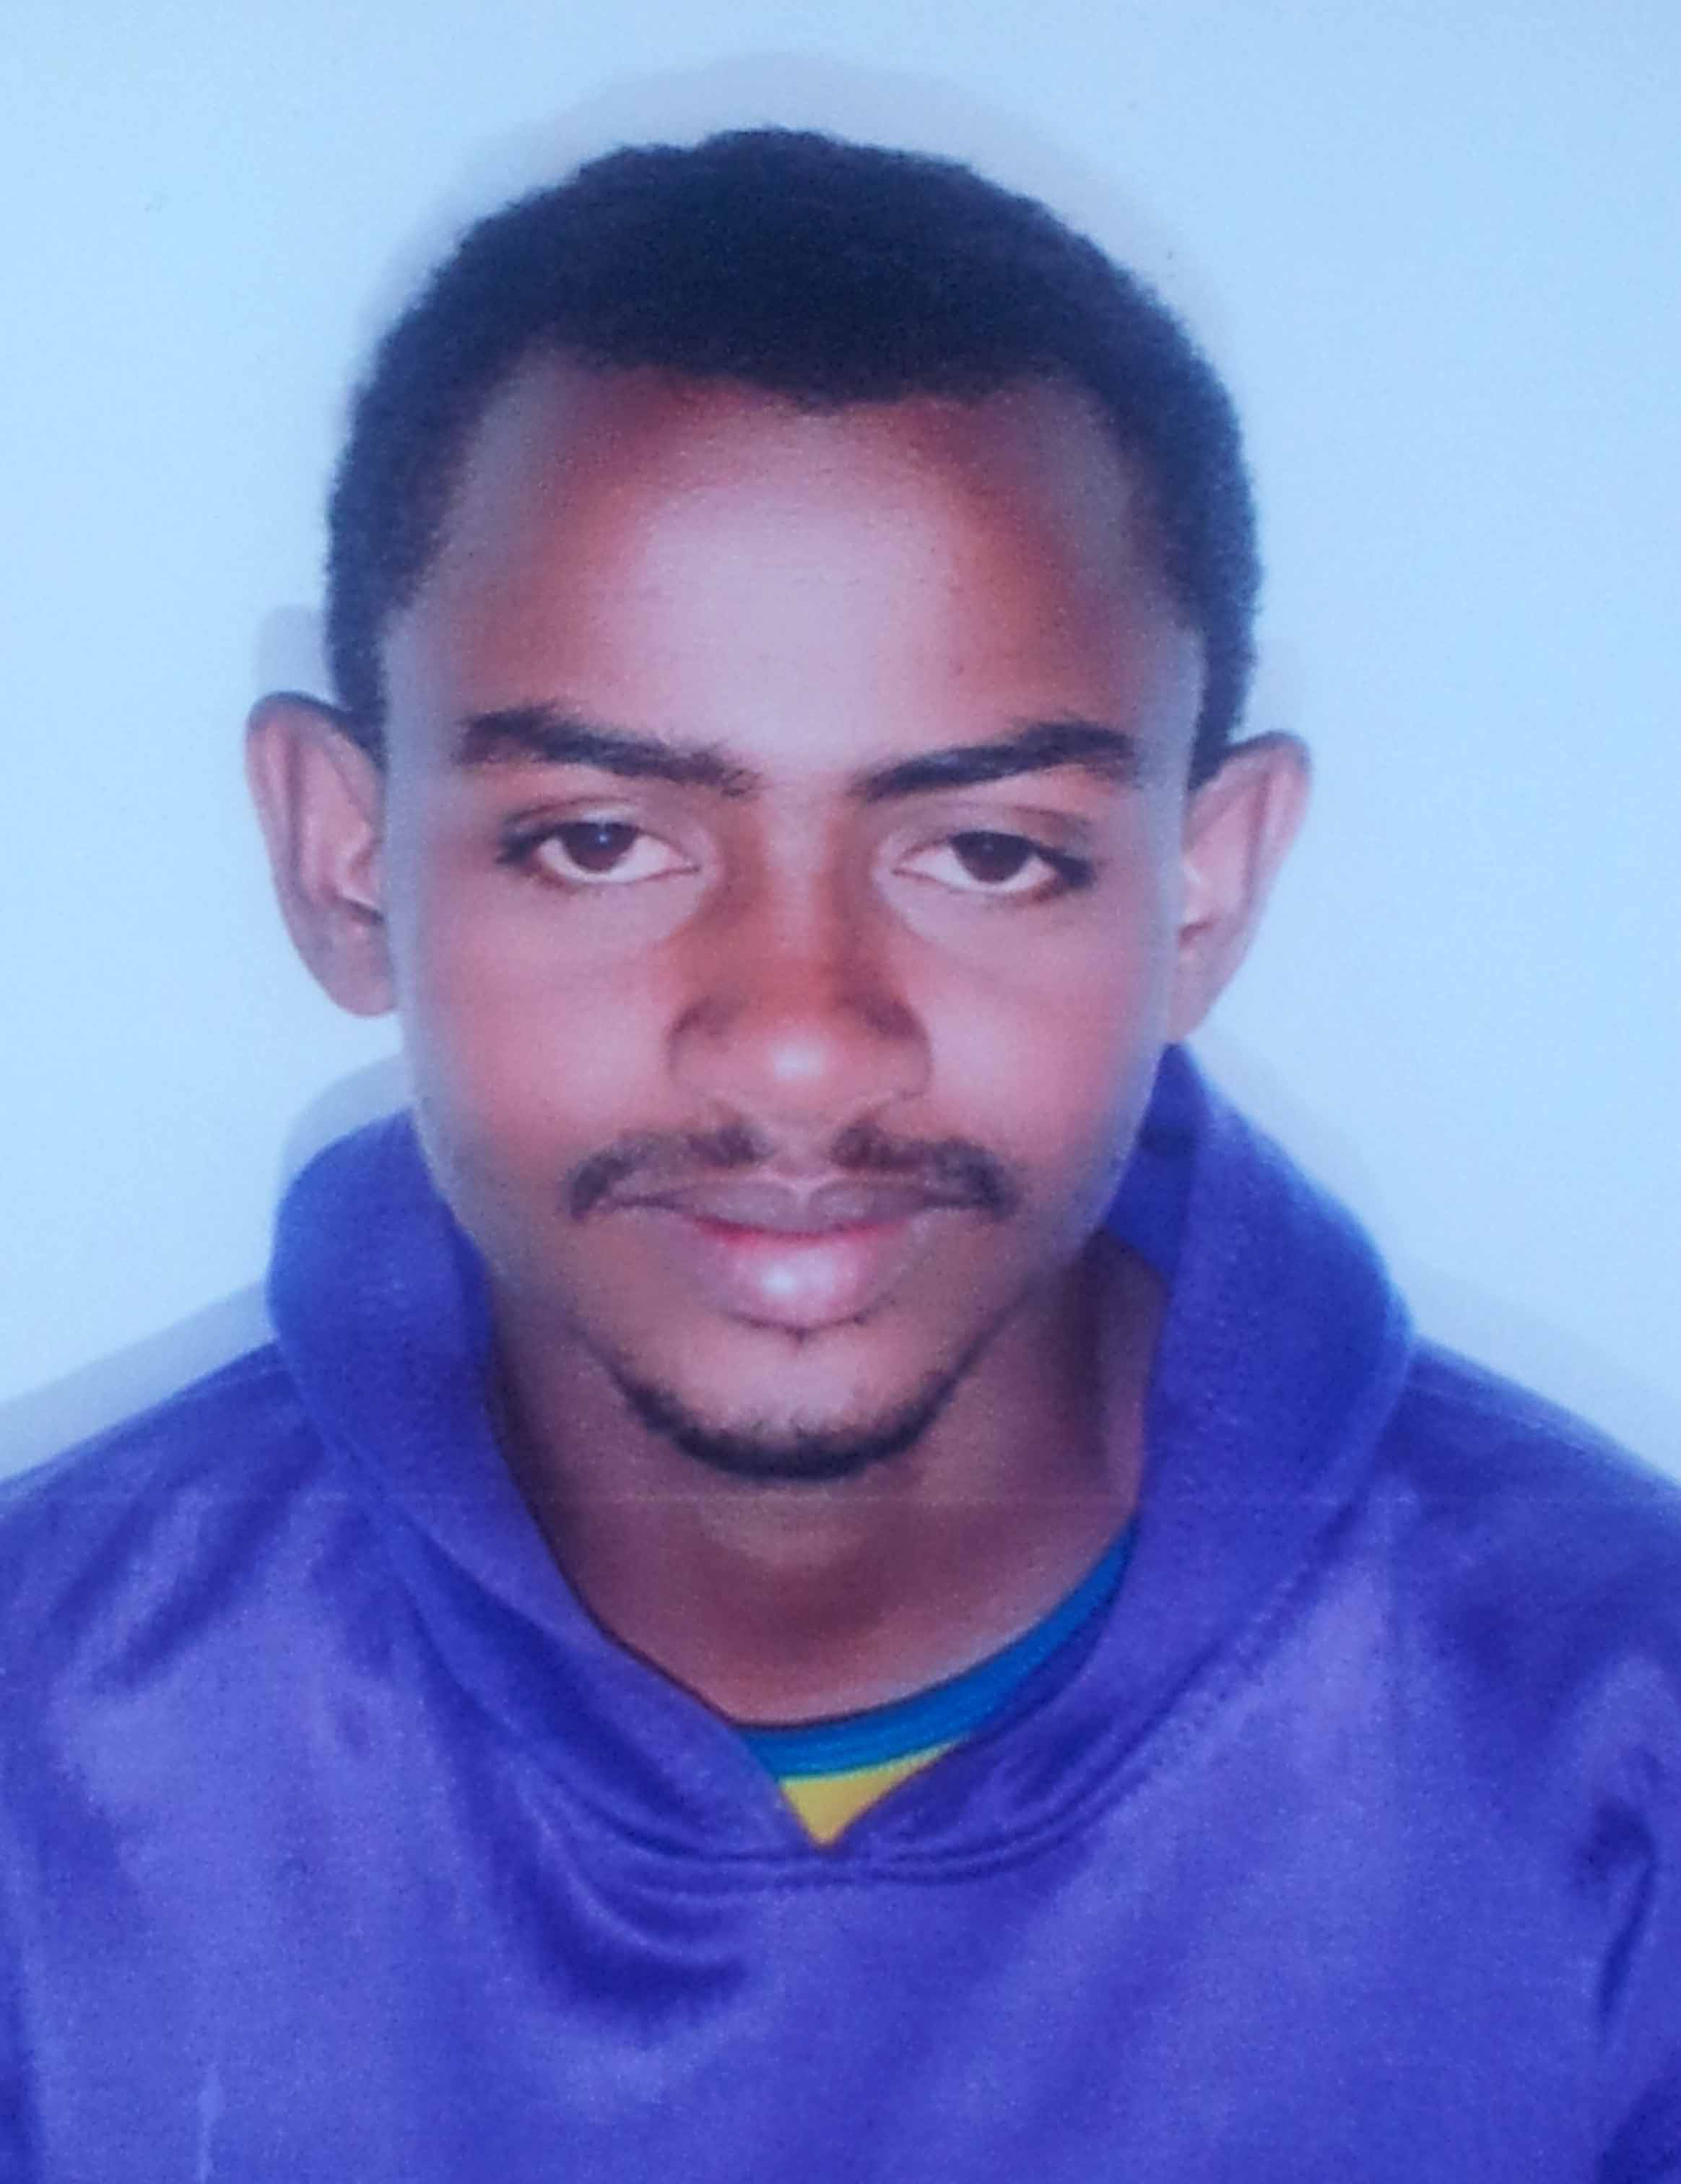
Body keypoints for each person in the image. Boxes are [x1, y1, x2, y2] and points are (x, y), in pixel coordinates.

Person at [3, 127, 1677, 2180]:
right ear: (346, 865)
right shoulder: (43, 1768)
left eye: (988, 852)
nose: (801, 1040)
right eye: (598, 841)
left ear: (1205, 891)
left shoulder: (1623, 1772)